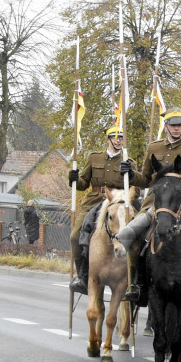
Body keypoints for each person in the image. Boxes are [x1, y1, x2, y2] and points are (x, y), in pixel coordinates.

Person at [117, 109, 181, 303]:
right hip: (156, 205)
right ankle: (136, 284)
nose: (176, 129)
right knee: (131, 234)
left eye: (180, 125)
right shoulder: (154, 148)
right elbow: (146, 179)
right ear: (166, 126)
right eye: (173, 125)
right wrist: (131, 174)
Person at [67, 126, 129, 294]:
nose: (118, 140)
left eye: (121, 137)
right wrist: (74, 179)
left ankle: (136, 278)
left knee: (140, 234)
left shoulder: (127, 160)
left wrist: (128, 181)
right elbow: (83, 184)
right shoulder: (94, 158)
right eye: (114, 137)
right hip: (94, 201)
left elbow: (135, 186)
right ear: (107, 140)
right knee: (75, 236)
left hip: (118, 202)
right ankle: (83, 277)